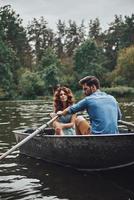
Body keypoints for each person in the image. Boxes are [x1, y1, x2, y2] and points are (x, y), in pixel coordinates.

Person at [57, 76, 122, 134]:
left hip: (97, 137)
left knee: (79, 118)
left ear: (93, 87)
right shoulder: (112, 98)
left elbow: (71, 109)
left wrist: (61, 113)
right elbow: (119, 117)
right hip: (114, 135)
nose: (84, 92)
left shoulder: (88, 100)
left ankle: (79, 144)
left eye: (85, 89)